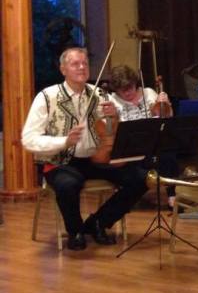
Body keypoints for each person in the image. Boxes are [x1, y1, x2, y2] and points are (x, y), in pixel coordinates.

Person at [21, 47, 149, 251]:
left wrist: (114, 117)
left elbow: (110, 131)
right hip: (60, 161)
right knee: (68, 184)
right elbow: (28, 139)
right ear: (63, 69)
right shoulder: (47, 97)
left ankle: (98, 223)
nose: (82, 67)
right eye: (75, 64)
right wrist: (64, 141)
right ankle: (75, 231)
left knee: (141, 179)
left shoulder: (99, 93)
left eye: (85, 63)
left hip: (95, 158)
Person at [109, 64, 178, 208]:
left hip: (152, 143)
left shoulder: (149, 93)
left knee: (168, 152)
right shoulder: (112, 100)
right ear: (116, 89)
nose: (128, 92)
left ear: (135, 83)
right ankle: (127, 194)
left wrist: (166, 104)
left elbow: (166, 118)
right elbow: (111, 128)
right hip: (129, 149)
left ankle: (172, 195)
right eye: (122, 90)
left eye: (130, 87)